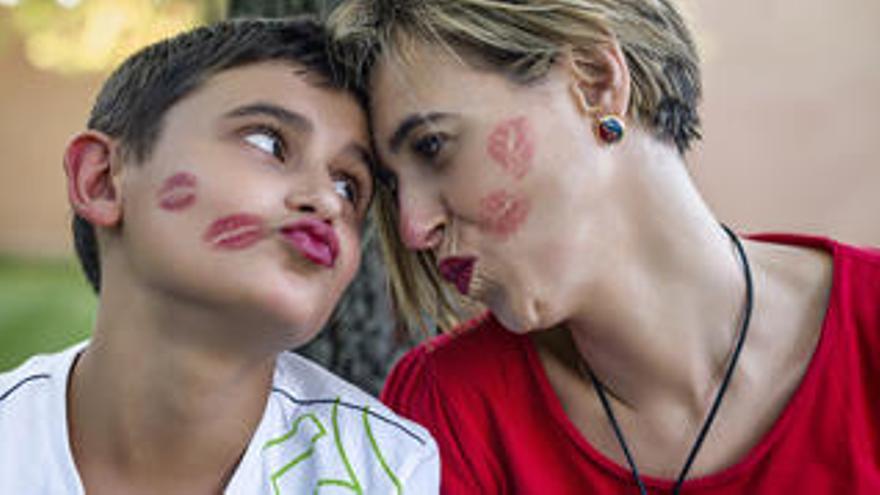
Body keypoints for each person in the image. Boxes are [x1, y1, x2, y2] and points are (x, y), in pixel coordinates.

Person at [329, 0, 880, 493]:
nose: (411, 228)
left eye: (433, 146)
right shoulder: (448, 410)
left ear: (594, 82)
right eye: (394, 185)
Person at [0, 18, 438, 494]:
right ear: (102, 180)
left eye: (348, 185)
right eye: (269, 143)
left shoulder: (389, 471)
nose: (327, 201)